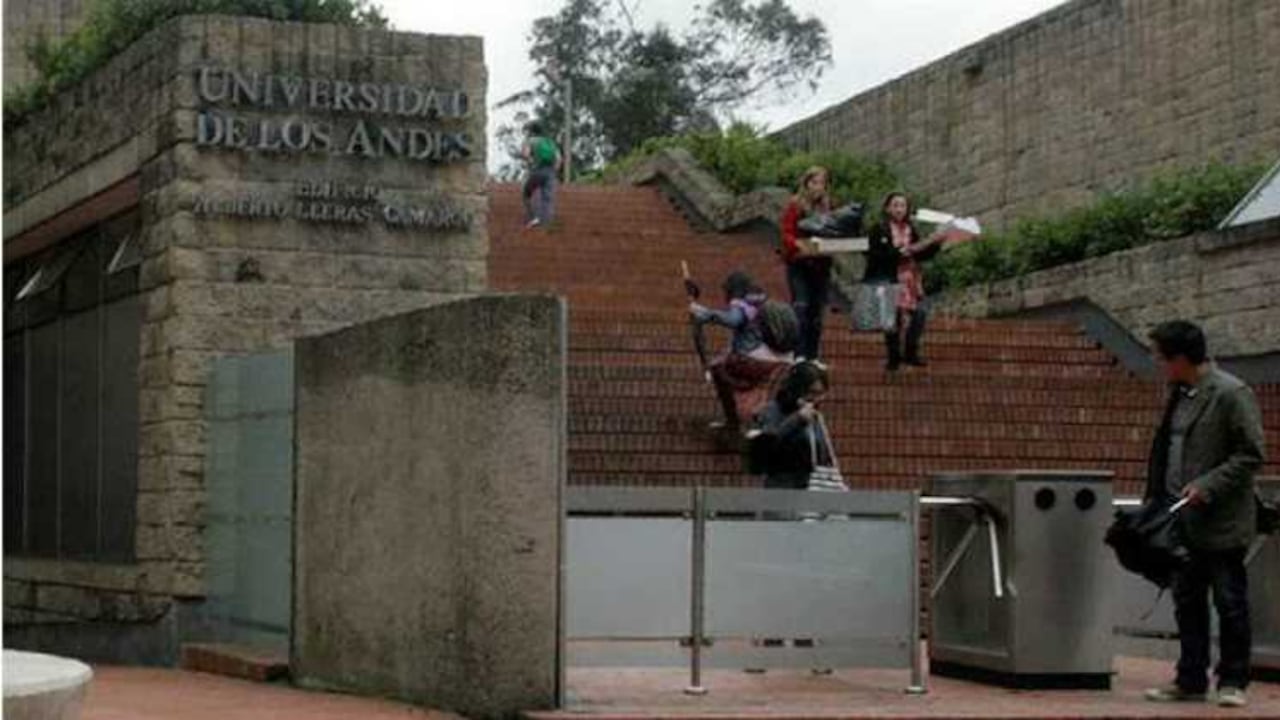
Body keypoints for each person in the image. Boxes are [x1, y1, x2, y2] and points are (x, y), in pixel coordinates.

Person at [1142, 321, 1266, 709]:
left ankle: (1233, 679)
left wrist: (1207, 485)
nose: (1158, 363)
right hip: (1182, 518)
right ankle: (1190, 677)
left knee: (1229, 600)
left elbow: (1250, 453)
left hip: (1221, 519)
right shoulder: (1179, 395)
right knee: (1187, 600)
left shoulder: (1230, 394)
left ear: (1181, 358)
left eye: (1161, 357)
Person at [689, 272, 793, 433]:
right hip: (780, 360)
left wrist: (706, 314)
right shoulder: (761, 301)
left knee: (718, 368)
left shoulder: (742, 304)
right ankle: (760, 422)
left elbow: (734, 320)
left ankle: (734, 422)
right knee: (760, 386)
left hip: (752, 359)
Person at [864, 192, 942, 371]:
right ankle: (894, 356)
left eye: (902, 206)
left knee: (919, 314)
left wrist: (936, 244)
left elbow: (920, 253)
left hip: (910, 278)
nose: (899, 209)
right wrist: (896, 253)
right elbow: (873, 255)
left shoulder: (911, 229)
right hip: (889, 277)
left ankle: (910, 351)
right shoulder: (879, 229)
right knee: (893, 318)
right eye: (895, 205)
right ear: (887, 208)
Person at [745, 361, 831, 490]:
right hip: (780, 489)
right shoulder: (773, 411)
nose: (815, 399)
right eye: (812, 393)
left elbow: (822, 455)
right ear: (798, 390)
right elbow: (765, 446)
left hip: (808, 489)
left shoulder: (815, 418)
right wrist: (797, 420)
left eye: (820, 394)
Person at [779, 166, 834, 362]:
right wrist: (798, 245)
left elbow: (835, 231)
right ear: (806, 183)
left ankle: (812, 355)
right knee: (801, 306)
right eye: (814, 182)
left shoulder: (828, 207)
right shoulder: (795, 205)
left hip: (821, 265)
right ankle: (798, 353)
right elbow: (786, 232)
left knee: (817, 312)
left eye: (822, 183)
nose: (818, 187)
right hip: (799, 264)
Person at [521, 122, 561, 228]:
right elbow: (558, 159)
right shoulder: (550, 142)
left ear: (531, 131)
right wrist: (553, 171)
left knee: (527, 194)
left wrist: (531, 163)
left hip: (536, 170)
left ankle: (534, 218)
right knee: (548, 198)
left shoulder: (530, 141)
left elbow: (525, 154)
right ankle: (547, 223)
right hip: (550, 172)